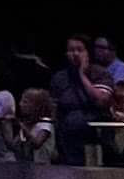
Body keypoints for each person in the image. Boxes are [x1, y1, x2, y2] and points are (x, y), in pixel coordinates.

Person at [48, 34, 113, 165]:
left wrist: (82, 75)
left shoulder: (100, 73)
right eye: (71, 50)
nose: (75, 54)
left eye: (80, 50)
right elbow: (54, 110)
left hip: (94, 137)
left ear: (88, 53)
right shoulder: (59, 78)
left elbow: (101, 100)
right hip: (67, 137)